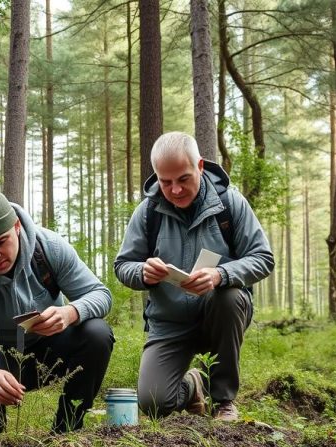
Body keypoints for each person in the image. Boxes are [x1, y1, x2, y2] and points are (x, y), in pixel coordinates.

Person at [114, 131, 274, 422]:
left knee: (230, 296)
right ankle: (194, 385)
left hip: (219, 314)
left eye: (183, 179)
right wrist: (143, 272)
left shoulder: (230, 204)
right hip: (169, 322)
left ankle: (223, 401)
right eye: (166, 182)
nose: (175, 190)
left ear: (200, 166)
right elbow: (123, 265)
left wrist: (220, 274)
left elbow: (263, 258)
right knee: (153, 403)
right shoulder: (148, 212)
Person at [0, 187, 114, 439]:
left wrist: (70, 312)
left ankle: (68, 429)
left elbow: (101, 294)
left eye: (1, 241)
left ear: (17, 226)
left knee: (96, 333)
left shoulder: (50, 248)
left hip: (46, 352)